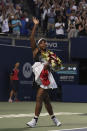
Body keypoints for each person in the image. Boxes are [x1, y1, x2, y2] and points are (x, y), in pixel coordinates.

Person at [26, 17, 62, 128]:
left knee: (39, 97)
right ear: (38, 44)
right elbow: (31, 37)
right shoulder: (35, 50)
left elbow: (54, 66)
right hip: (38, 76)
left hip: (46, 76)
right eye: (42, 42)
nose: (44, 43)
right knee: (46, 100)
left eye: (45, 42)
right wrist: (36, 25)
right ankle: (55, 119)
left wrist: (50, 65)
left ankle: (34, 121)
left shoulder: (50, 54)